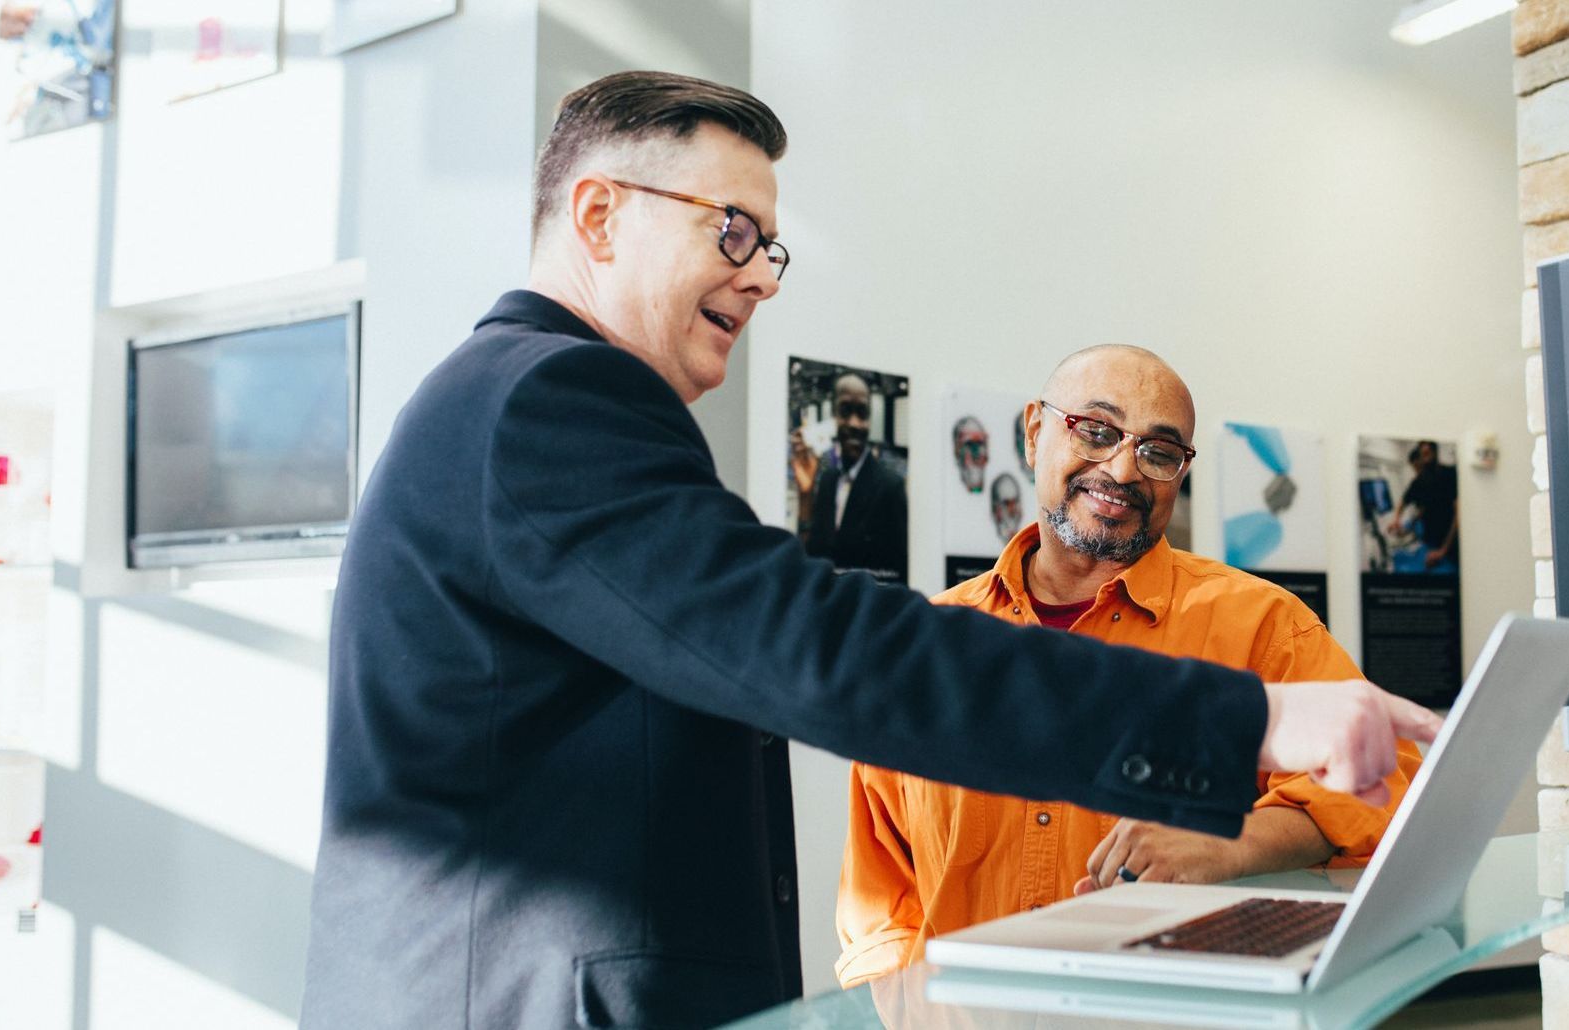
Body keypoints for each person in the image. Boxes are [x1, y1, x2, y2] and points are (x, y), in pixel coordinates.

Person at [301, 71, 1439, 1030]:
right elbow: (821, 650)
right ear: (598, 216)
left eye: (769, 246)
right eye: (731, 230)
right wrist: (1249, 719)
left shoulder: (515, 403)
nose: (757, 273)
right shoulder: (551, 399)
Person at [834, 347, 1423, 986]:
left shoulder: (1262, 625)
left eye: (1159, 452)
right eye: (1096, 430)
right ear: (1035, 433)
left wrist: (1229, 842)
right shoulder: (931, 645)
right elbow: (882, 900)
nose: (1122, 469)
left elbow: (1388, 784)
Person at [790, 372, 908, 582]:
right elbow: (812, 558)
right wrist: (805, 496)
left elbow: (897, 577)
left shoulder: (890, 487)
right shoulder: (827, 480)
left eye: (862, 414)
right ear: (834, 415)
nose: (854, 423)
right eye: (845, 411)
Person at [1391, 440, 1459, 571]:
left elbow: (1458, 514)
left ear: (1435, 453)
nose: (1417, 470)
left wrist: (1443, 550)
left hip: (1449, 545)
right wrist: (1396, 519)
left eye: (1428, 454)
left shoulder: (1449, 474)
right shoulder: (1419, 481)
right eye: (1423, 455)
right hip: (1430, 543)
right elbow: (1405, 501)